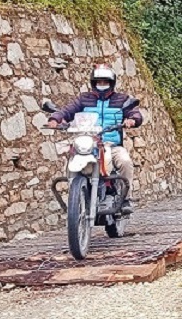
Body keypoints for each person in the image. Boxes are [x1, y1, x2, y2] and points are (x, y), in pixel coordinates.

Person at [46, 66, 144, 211]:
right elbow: (67, 110)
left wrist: (132, 120)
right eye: (99, 81)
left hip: (111, 144)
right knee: (71, 157)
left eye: (106, 82)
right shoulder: (84, 99)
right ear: (93, 83)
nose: (102, 85)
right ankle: (76, 197)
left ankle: (125, 199)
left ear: (112, 83)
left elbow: (134, 113)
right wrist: (55, 119)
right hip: (89, 142)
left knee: (125, 162)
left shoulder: (122, 99)